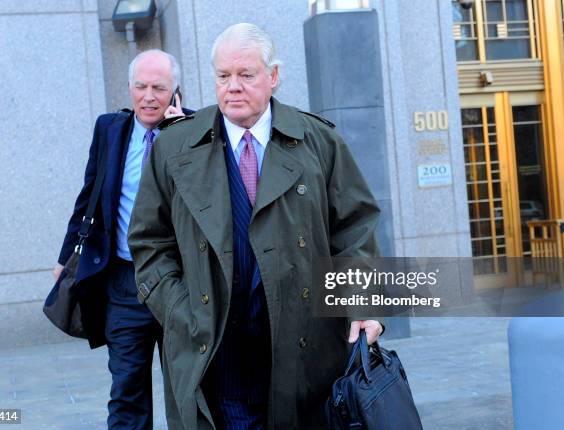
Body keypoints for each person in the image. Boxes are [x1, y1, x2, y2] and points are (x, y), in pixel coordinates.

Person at [128, 24, 383, 429]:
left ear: (273, 77)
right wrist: (181, 309)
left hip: (303, 349)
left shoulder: (318, 142)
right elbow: (149, 242)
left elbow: (355, 231)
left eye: (246, 75)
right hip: (211, 348)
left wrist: (363, 305)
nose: (233, 87)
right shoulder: (174, 148)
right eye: (223, 76)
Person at [53, 49, 189, 429]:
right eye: (140, 86)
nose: (149, 96)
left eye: (159, 88)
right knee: (126, 388)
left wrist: (179, 137)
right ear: (129, 88)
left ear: (176, 91)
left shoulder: (197, 131)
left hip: (182, 282)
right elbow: (89, 195)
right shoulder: (109, 129)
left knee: (188, 388)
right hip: (124, 280)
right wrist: (66, 256)